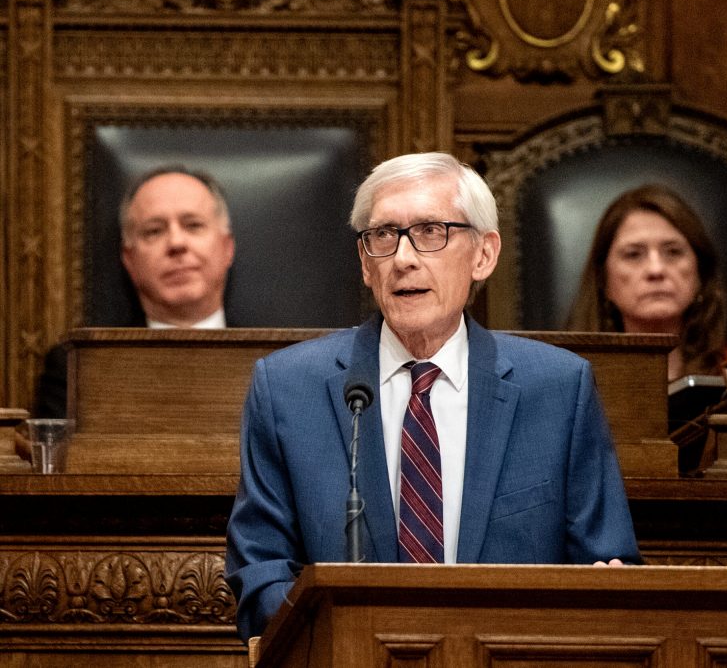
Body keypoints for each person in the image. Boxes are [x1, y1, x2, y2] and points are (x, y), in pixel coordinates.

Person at [225, 152, 640, 641]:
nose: (402, 258)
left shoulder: (557, 389)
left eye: (430, 231)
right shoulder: (290, 389)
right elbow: (260, 575)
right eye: (383, 236)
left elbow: (608, 567)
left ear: (483, 254)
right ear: (365, 262)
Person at [35, 165, 236, 417]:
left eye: (193, 225)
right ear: (129, 259)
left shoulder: (278, 362)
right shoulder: (76, 369)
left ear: (227, 248)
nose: (176, 243)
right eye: (154, 230)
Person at [565, 184, 727, 380]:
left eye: (673, 252)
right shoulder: (570, 381)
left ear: (701, 272)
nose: (655, 269)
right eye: (633, 254)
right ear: (602, 279)